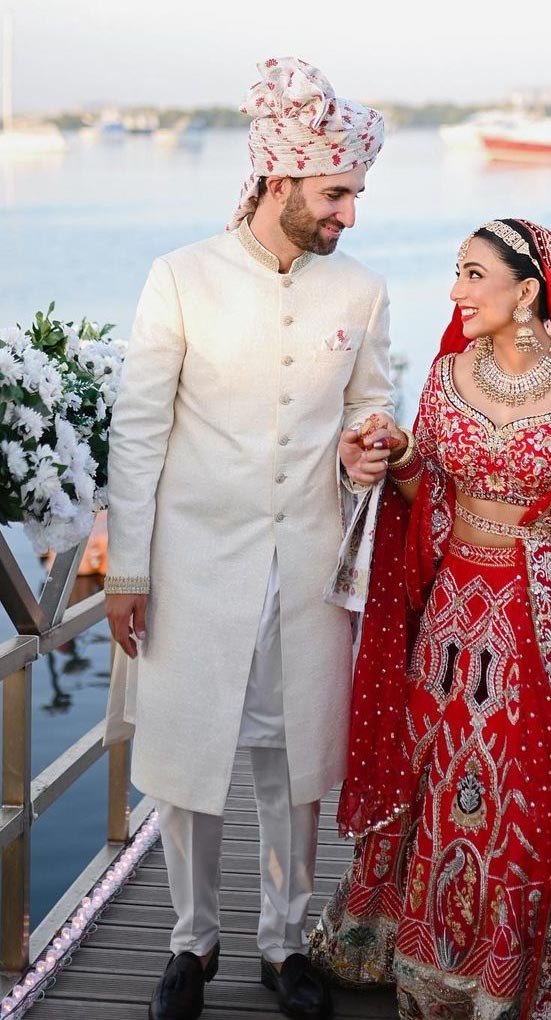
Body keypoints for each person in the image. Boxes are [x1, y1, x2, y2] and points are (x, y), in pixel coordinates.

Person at [311, 219, 551, 1020]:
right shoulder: (445, 378)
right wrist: (403, 452)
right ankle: (429, 958)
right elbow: (428, 497)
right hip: (451, 618)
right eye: (455, 272)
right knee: (438, 779)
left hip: (543, 613)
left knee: (532, 783)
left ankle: (514, 972)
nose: (456, 291)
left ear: (526, 292)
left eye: (474, 275)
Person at [102, 56, 394, 1020]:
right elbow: (138, 430)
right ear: (280, 179)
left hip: (307, 566)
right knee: (187, 766)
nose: (349, 212)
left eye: (354, 192)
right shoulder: (179, 277)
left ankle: (284, 944)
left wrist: (372, 446)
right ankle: (191, 945)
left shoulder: (358, 290)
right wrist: (128, 570)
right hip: (192, 567)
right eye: (337, 191)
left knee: (295, 766)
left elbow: (373, 406)